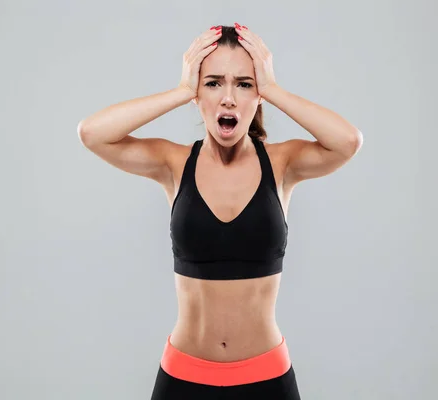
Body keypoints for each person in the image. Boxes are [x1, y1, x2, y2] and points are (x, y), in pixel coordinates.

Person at [78, 23, 362, 400]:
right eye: (213, 83)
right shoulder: (173, 163)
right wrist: (181, 90)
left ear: (256, 95)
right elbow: (92, 133)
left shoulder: (282, 163)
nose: (228, 98)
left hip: (267, 378)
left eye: (244, 84)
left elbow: (347, 141)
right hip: (183, 376)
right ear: (199, 95)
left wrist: (273, 89)